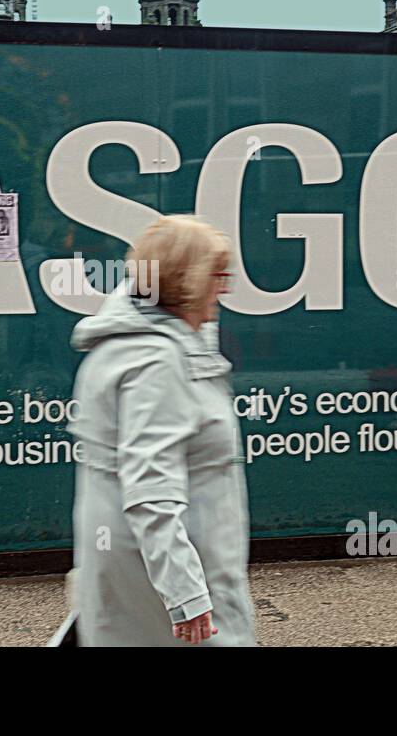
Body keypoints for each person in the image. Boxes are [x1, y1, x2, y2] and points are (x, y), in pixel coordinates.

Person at [65, 215, 255, 646]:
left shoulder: (122, 346)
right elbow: (151, 488)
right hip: (166, 570)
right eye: (216, 275)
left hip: (134, 563)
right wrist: (186, 595)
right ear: (186, 280)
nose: (224, 287)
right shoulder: (156, 363)